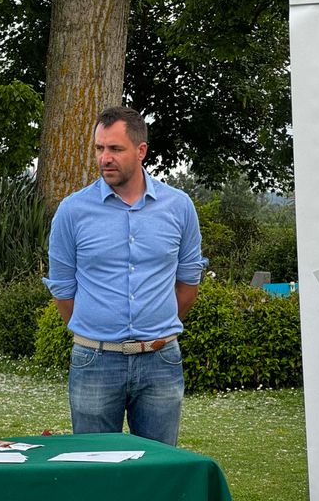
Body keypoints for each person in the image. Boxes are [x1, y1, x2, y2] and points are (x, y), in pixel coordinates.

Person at [43, 106, 207, 446]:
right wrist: (98, 331)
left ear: (141, 150)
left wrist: (156, 328)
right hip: (95, 361)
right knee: (94, 467)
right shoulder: (72, 211)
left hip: (161, 360)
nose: (105, 158)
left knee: (159, 468)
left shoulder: (179, 207)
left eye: (115, 149)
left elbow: (188, 282)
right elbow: (63, 290)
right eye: (99, 148)